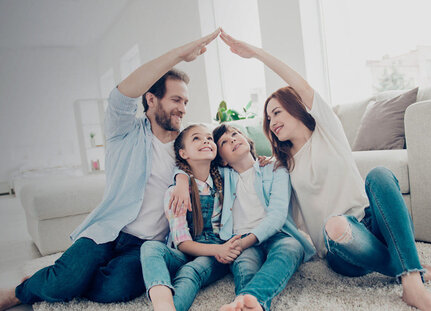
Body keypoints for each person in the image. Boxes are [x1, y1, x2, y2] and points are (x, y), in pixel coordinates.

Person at [219, 30, 431, 311]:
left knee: (380, 175)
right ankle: (422, 271)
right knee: (336, 224)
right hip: (340, 249)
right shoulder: (281, 165)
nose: (271, 122)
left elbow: (299, 82)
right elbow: (261, 197)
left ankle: (413, 285)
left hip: (372, 225)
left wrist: (256, 53)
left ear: (297, 108)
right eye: (268, 118)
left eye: (277, 112)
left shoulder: (327, 131)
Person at [0, 29, 221, 311]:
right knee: (68, 278)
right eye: (176, 100)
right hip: (109, 230)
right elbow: (120, 96)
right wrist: (178, 55)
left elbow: (220, 152)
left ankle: (59, 277)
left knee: (115, 289)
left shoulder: (186, 146)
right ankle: (23, 290)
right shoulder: (124, 131)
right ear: (151, 99)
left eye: (186, 102)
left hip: (147, 244)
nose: (183, 109)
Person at [205, 124, 315, 311]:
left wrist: (244, 243)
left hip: (277, 234)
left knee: (290, 248)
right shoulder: (220, 177)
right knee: (245, 267)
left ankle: (246, 300)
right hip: (239, 237)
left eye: (235, 133)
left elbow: (277, 215)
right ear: (222, 160)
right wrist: (181, 180)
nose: (232, 138)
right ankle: (251, 305)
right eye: (224, 141)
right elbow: (190, 170)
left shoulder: (275, 168)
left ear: (247, 141)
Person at [141, 124, 242, 311]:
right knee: (149, 247)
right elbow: (182, 244)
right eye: (196, 138)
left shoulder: (226, 178)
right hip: (185, 251)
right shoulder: (176, 192)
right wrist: (181, 179)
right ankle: (163, 304)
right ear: (183, 153)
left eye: (209, 138)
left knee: (191, 271)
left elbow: (245, 165)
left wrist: (263, 160)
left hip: (216, 252)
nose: (206, 140)